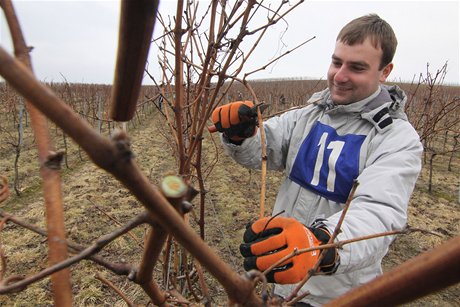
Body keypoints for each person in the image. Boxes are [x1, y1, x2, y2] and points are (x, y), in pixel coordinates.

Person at [211, 14, 423, 306]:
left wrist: (319, 246)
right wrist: (241, 134)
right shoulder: (310, 112)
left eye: (357, 67)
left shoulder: (396, 139)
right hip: (279, 274)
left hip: (335, 294)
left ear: (384, 71)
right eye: (337, 62)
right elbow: (264, 149)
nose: (340, 75)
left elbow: (378, 211)